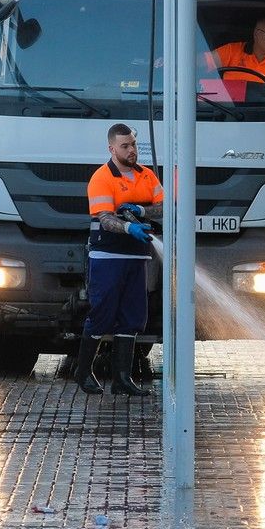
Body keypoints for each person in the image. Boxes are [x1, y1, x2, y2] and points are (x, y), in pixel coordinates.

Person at [77, 123, 164, 396]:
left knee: (133, 316)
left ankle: (122, 379)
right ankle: (83, 373)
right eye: (125, 146)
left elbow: (166, 206)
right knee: (102, 314)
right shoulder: (101, 178)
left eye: (133, 145)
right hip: (107, 256)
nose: (131, 150)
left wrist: (140, 209)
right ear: (112, 148)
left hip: (137, 258)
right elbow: (104, 217)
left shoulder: (147, 176)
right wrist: (129, 227)